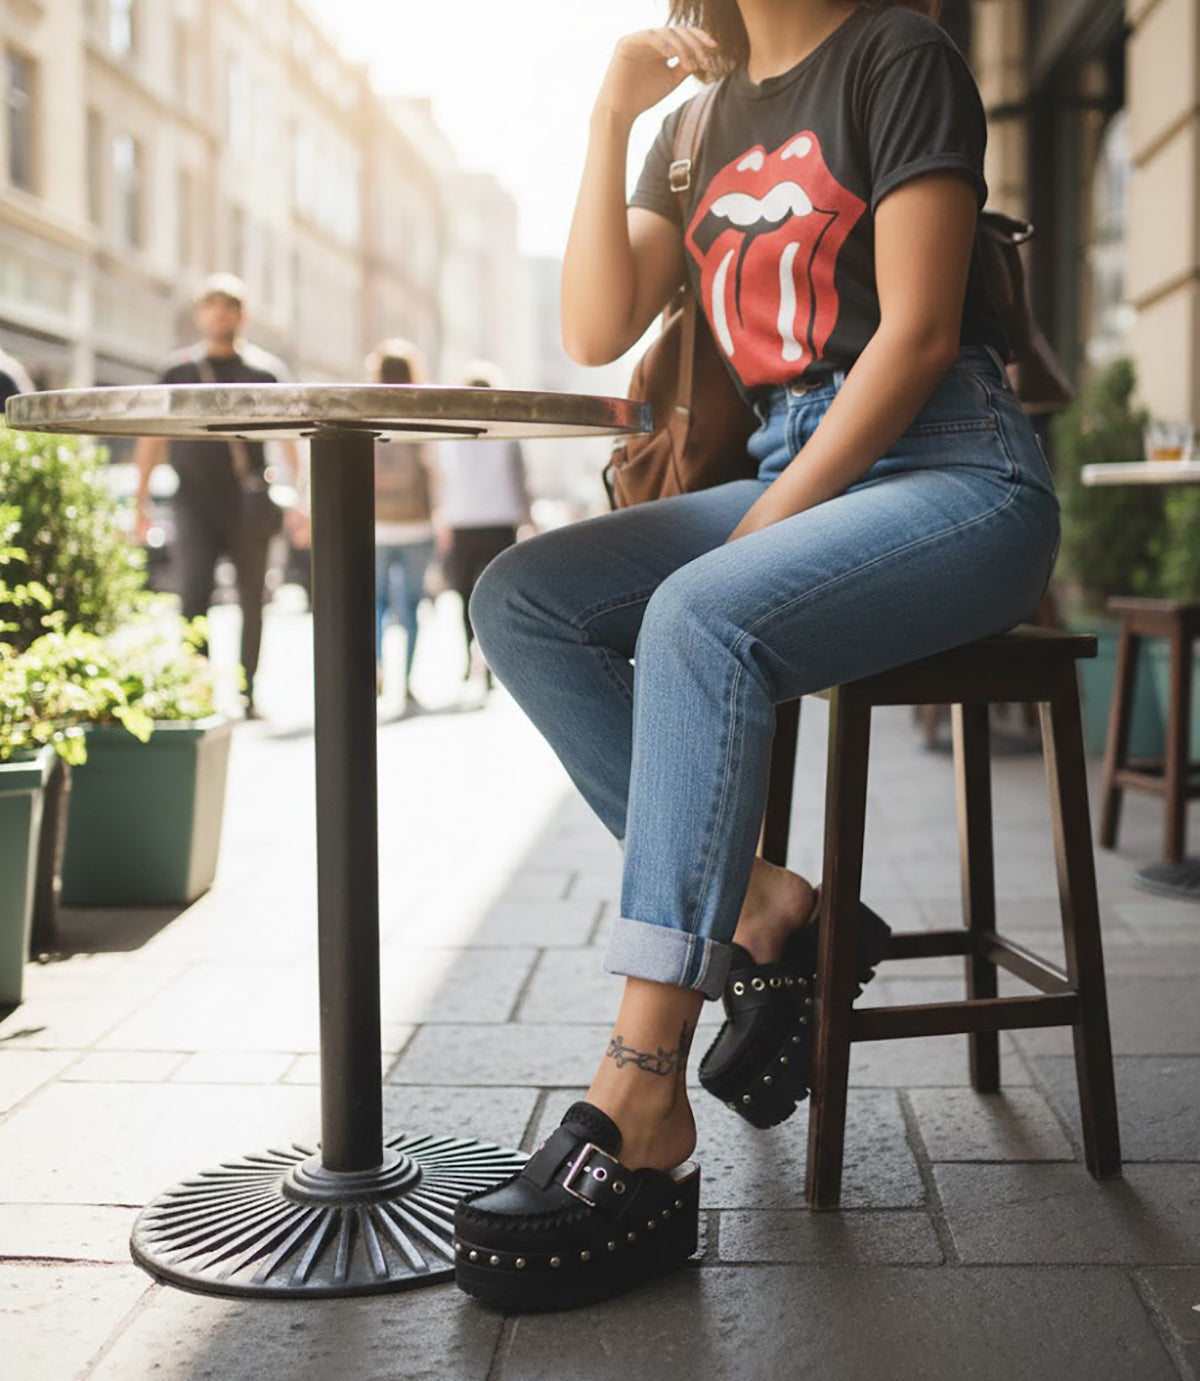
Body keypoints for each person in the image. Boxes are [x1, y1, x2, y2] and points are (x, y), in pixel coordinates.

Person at [453, 0, 1061, 1311]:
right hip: (797, 463)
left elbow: (913, 335)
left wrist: (759, 536)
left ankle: (643, 1089)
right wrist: (613, 111)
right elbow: (592, 326)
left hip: (956, 468)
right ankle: (770, 913)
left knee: (699, 615)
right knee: (523, 600)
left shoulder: (899, 56)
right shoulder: (696, 123)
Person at [132, 274, 303, 719]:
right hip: (192, 503)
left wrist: (301, 499)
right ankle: (200, 690)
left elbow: (291, 440)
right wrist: (139, 502)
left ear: (242, 316)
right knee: (192, 598)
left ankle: (248, 693)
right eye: (212, 306)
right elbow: (150, 438)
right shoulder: (177, 372)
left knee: (253, 600)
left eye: (229, 306)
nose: (220, 314)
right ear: (200, 315)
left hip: (250, 502)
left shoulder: (264, 374)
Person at [433, 363, 532, 689]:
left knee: (464, 598)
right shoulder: (507, 430)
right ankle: (489, 662)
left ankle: (469, 656)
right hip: (499, 520)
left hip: (463, 520)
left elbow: (441, 479)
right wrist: (526, 517)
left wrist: (441, 519)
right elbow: (519, 479)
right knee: (493, 596)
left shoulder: (450, 432)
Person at [367, 339, 437, 708]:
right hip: (416, 525)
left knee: (375, 606)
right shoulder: (422, 409)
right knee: (409, 607)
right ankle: (406, 683)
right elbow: (435, 469)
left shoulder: (366, 406)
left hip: (375, 524)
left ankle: (374, 672)